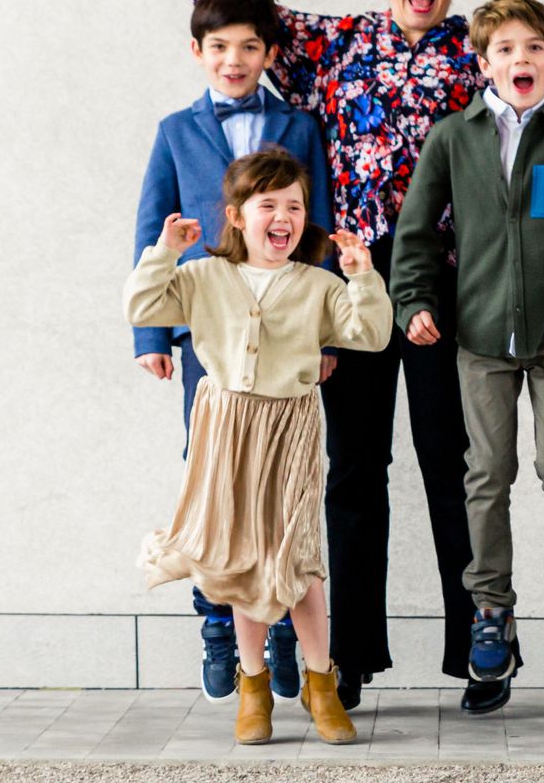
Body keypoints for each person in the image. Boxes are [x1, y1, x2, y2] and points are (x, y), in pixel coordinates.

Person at [129, 0, 505, 713]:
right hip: (347, 295)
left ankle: (479, 648)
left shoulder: (473, 58)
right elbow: (237, 8)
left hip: (445, 292)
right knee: (352, 475)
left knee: (456, 467)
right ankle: (352, 660)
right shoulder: (335, 46)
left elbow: (536, 90)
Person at [391, 0, 544, 699]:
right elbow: (415, 232)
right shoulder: (454, 138)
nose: (519, 57)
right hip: (482, 338)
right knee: (488, 476)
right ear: (483, 62)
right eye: (504, 48)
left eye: (534, 47)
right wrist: (415, 302)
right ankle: (490, 610)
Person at [126, 148, 390, 746]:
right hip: (225, 427)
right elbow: (141, 306)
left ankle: (321, 682)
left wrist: (362, 275)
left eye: (294, 206)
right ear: (237, 216)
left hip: (291, 427)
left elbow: (371, 335)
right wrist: (165, 251)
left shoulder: (318, 284)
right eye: (267, 204)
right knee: (240, 557)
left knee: (297, 556)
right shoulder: (200, 276)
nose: (283, 216)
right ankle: (254, 685)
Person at [132, 0, 335, 703]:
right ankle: (217, 624)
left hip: (287, 335)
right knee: (212, 475)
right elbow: (153, 228)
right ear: (198, 52)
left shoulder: (303, 127)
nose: (234, 59)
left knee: (281, 485)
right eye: (219, 47)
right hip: (208, 334)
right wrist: (153, 333)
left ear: (270, 54)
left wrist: (327, 333)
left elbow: (320, 233)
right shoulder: (175, 131)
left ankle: (281, 630)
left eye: (250, 46)